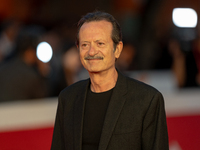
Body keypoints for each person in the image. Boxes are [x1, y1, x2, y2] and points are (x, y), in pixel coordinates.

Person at [51, 11, 169, 150]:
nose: (91, 52)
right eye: (85, 45)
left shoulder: (147, 100)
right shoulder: (68, 98)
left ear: (117, 49)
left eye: (100, 43)